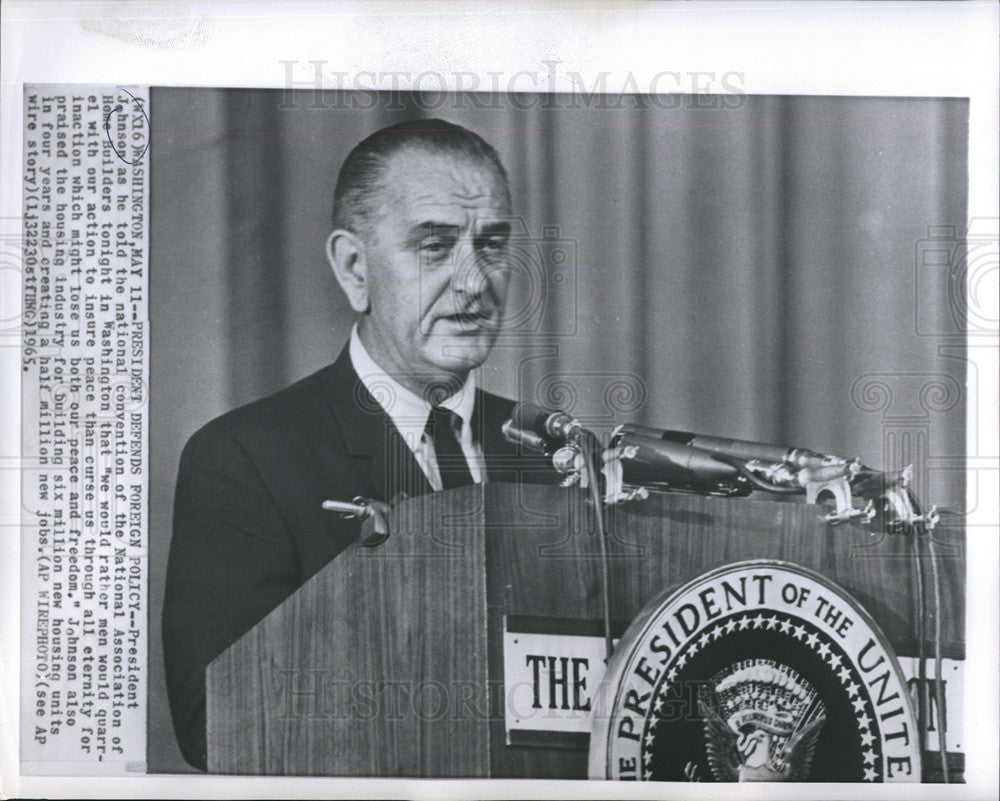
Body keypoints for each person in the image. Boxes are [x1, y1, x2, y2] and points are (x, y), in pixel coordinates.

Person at [162, 119, 550, 770]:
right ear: (354, 267)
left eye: (491, 245)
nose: (475, 283)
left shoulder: (550, 457)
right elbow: (216, 722)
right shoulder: (245, 459)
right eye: (434, 246)